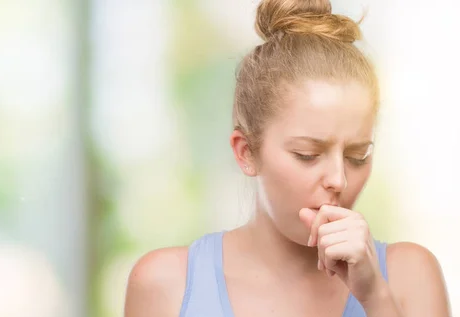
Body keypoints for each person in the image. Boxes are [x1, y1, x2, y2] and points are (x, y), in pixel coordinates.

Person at [123, 0, 451, 316]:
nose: (338, 178)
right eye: (307, 155)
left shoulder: (410, 276)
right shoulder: (166, 284)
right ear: (246, 152)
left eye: (357, 155)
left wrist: (375, 296)